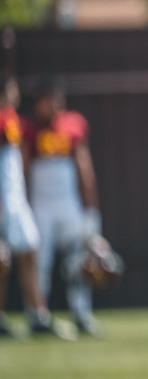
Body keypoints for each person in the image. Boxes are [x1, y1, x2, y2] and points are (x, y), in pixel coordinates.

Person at [24, 79, 107, 336]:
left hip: (69, 204)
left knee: (79, 262)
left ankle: (82, 314)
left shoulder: (72, 125)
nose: (53, 105)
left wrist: (90, 209)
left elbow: (84, 167)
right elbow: (25, 169)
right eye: (48, 100)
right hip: (41, 206)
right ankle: (38, 315)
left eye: (56, 99)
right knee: (40, 263)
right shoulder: (29, 130)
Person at [0, 74, 73, 339]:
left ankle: (37, 314)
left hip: (14, 198)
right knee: (4, 259)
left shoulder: (12, 120)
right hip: (5, 199)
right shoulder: (4, 119)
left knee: (28, 251)